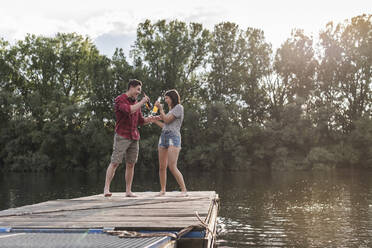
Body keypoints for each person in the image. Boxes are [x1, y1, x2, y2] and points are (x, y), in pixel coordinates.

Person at [104, 79, 160, 197]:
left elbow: (140, 121)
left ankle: (128, 191)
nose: (139, 92)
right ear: (131, 88)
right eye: (138, 90)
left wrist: (151, 119)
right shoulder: (120, 99)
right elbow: (129, 110)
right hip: (122, 135)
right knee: (115, 162)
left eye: (140, 90)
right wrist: (142, 102)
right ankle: (106, 189)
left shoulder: (136, 103)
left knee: (131, 164)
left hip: (134, 136)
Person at [154, 89, 188, 196]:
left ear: (172, 98)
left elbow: (167, 120)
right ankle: (163, 189)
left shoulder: (179, 108)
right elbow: (165, 126)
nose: (165, 100)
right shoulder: (170, 110)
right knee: (161, 166)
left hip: (173, 137)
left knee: (172, 166)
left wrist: (160, 109)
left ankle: (184, 190)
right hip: (163, 136)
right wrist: (154, 120)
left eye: (166, 98)